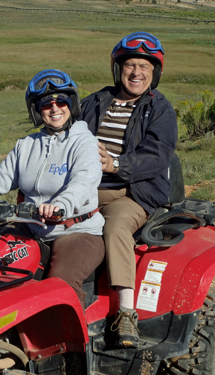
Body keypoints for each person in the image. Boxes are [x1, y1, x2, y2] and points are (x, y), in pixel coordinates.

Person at [0, 69, 105, 309]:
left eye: (61, 101)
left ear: (71, 103)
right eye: (46, 104)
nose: (55, 109)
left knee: (60, 284)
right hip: (31, 229)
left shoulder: (84, 141)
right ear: (36, 110)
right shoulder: (27, 146)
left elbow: (84, 181)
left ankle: (68, 343)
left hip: (76, 231)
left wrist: (61, 206)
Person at [79, 32, 177, 347]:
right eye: (130, 65)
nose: (136, 72)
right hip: (84, 190)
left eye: (144, 66)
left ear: (155, 72)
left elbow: (157, 154)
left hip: (132, 193)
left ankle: (125, 311)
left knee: (116, 226)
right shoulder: (95, 101)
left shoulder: (160, 109)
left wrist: (116, 164)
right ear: (118, 68)